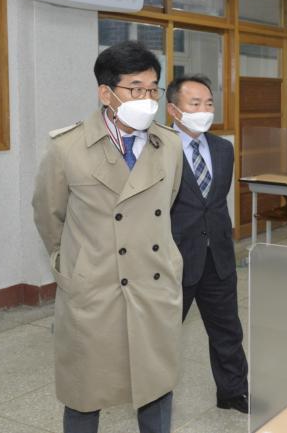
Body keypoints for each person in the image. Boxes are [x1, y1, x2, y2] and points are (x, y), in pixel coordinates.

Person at [32, 40, 184, 433]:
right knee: (85, 392)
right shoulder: (67, 148)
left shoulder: (169, 144)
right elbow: (49, 215)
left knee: (156, 387)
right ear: (106, 93)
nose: (147, 99)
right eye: (136, 89)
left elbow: (165, 203)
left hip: (153, 284)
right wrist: (73, 264)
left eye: (152, 89)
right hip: (95, 288)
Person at [167, 74, 249, 413]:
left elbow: (214, 203)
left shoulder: (223, 149)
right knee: (162, 335)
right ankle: (154, 401)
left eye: (209, 103)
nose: (204, 110)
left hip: (218, 255)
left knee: (227, 330)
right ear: (173, 110)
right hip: (175, 258)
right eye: (195, 103)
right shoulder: (158, 149)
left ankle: (233, 392)